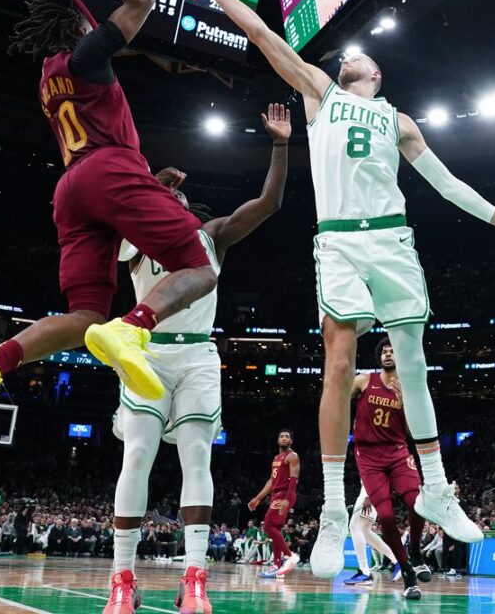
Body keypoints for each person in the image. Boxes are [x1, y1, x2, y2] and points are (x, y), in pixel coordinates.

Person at [173, 0, 495, 578]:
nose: (349, 55)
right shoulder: (321, 93)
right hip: (340, 241)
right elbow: (266, 35)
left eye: (361, 57)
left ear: (376, 75)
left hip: (393, 239)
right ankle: (330, 511)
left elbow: (445, 183)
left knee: (412, 365)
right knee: (340, 363)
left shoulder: (399, 121)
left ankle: (435, 485)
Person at [0, 0, 217, 445]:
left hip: (74, 188)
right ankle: (135, 325)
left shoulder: (48, 72)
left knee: (83, 316)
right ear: (77, 23)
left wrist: (145, 181)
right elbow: (141, 2)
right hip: (109, 169)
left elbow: (90, 139)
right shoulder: (88, 54)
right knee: (199, 267)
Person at [103, 104, 291, 613]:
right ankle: (122, 580)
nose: (175, 203)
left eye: (180, 199)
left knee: (196, 458)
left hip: (197, 358)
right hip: (146, 354)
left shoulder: (212, 237)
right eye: (168, 200)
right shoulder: (135, 242)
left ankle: (195, 578)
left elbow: (269, 203)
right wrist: (149, 187)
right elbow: (108, 231)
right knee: (137, 456)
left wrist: (279, 144)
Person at [345, 339, 430, 598]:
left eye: (393, 350)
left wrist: (406, 401)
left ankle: (414, 551)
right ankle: (406, 573)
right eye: (384, 350)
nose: (388, 353)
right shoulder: (363, 381)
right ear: (378, 356)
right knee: (386, 517)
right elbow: (337, 398)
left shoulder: (408, 387)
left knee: (419, 503)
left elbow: (418, 429)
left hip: (397, 452)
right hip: (369, 458)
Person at [249, 430, 301, 579]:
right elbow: (272, 481)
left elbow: (293, 480)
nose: (284, 438)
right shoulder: (277, 458)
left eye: (287, 437)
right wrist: (258, 498)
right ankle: (277, 566)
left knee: (268, 526)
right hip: (275, 495)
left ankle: (290, 557)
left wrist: (287, 498)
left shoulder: (292, 456)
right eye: (281, 436)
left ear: (291, 441)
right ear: (278, 440)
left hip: (284, 494)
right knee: (276, 528)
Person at [344, 482, 398, 585]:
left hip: (369, 493)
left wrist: (368, 496)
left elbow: (373, 472)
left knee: (355, 527)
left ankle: (365, 572)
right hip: (374, 493)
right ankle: (397, 561)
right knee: (365, 532)